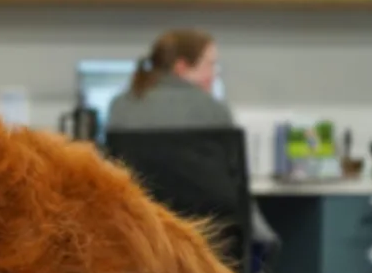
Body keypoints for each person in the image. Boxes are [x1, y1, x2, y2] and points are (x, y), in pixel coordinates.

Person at [105, 29, 279, 258]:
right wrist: (264, 238)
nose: (213, 74)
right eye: (209, 65)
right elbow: (233, 190)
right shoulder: (213, 109)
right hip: (210, 246)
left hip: (144, 243)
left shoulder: (120, 107)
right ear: (181, 67)